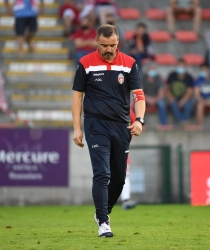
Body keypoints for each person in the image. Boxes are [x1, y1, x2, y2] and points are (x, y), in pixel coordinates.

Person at [72, 24, 146, 237]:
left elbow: (139, 96)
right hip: (96, 125)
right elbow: (77, 97)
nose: (109, 49)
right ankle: (104, 222)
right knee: (102, 173)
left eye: (112, 45)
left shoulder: (129, 63)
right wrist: (77, 128)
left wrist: (139, 120)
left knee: (120, 179)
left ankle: (102, 213)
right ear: (96, 42)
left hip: (121, 126)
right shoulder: (85, 63)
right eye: (104, 45)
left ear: (118, 42)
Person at [166, 59, 194, 124]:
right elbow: (167, 89)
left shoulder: (189, 77)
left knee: (188, 104)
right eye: (179, 65)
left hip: (185, 99)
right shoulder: (172, 76)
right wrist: (171, 97)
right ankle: (182, 121)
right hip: (174, 98)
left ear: (185, 67)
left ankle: (185, 120)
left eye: (182, 66)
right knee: (173, 103)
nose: (180, 67)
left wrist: (183, 101)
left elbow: (189, 92)